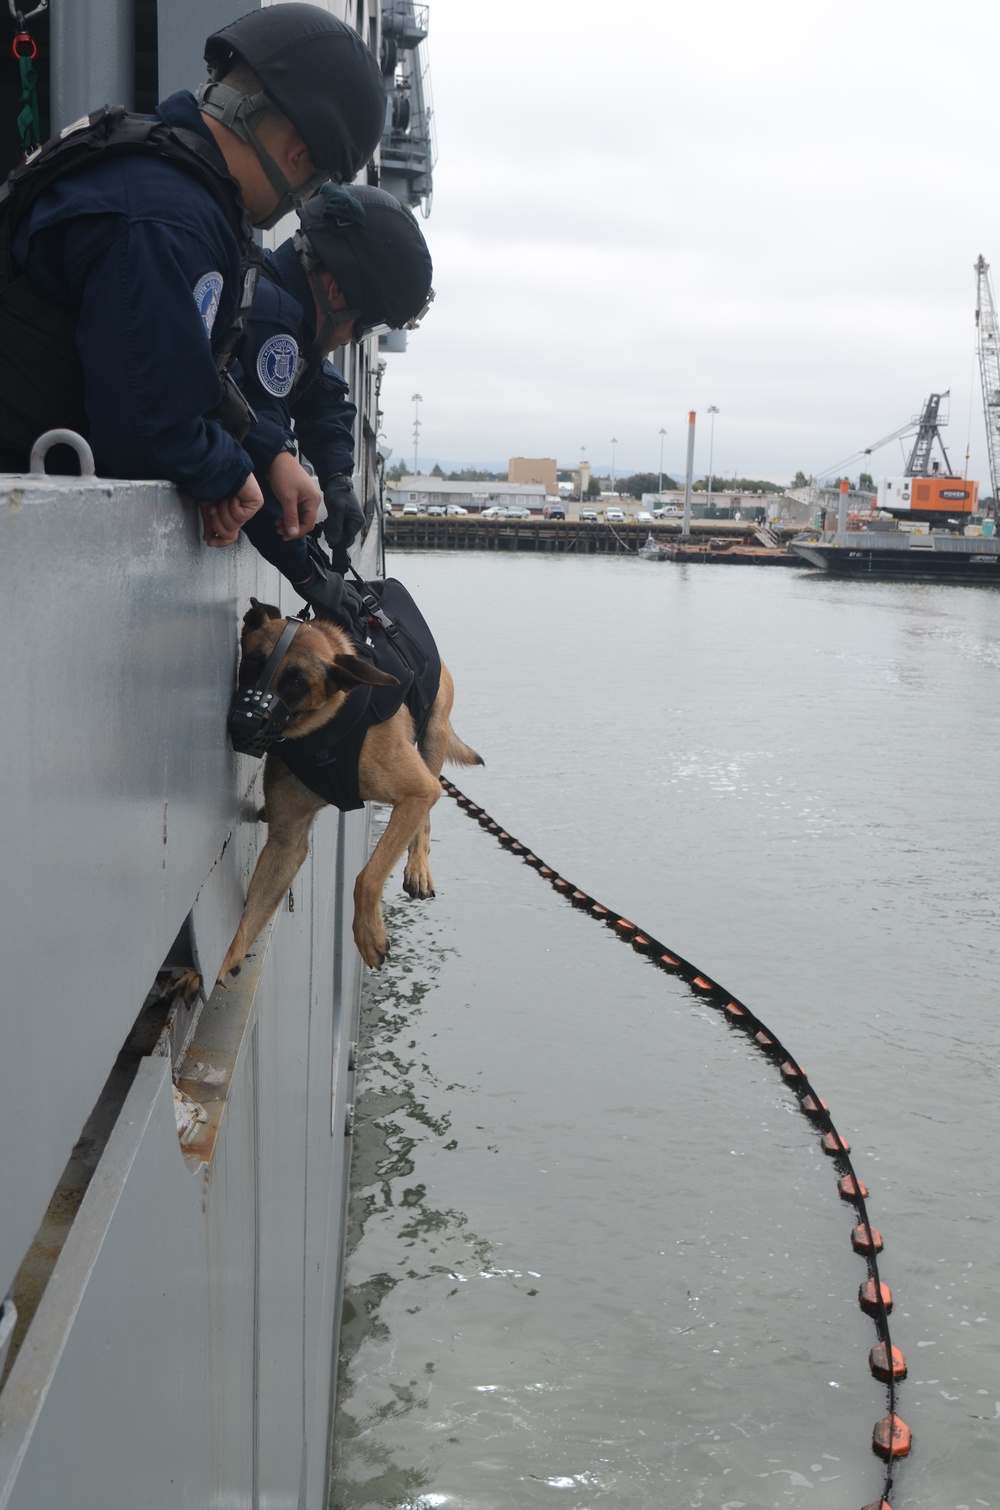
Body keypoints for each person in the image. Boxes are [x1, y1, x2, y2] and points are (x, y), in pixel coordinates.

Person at [0, 4, 385, 553]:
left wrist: (267, 455)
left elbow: (168, 361)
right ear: (298, 156)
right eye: (312, 184)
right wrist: (230, 474)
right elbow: (149, 421)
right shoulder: (171, 219)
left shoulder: (159, 178)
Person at [234, 182, 433, 623]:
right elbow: (253, 448)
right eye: (362, 326)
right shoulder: (274, 319)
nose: (352, 336)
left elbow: (319, 391)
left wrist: (338, 475)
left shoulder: (286, 311)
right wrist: (310, 576)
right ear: (337, 292)